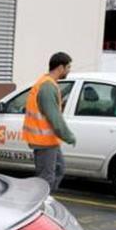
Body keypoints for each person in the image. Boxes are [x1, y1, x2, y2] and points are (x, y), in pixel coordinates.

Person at [22, 52, 77, 191]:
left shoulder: (48, 83)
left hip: (49, 141)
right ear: (60, 68)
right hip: (43, 141)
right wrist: (68, 136)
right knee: (46, 178)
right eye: (68, 67)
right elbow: (54, 117)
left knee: (59, 169)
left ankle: (45, 200)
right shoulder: (47, 87)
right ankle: (41, 204)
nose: (69, 70)